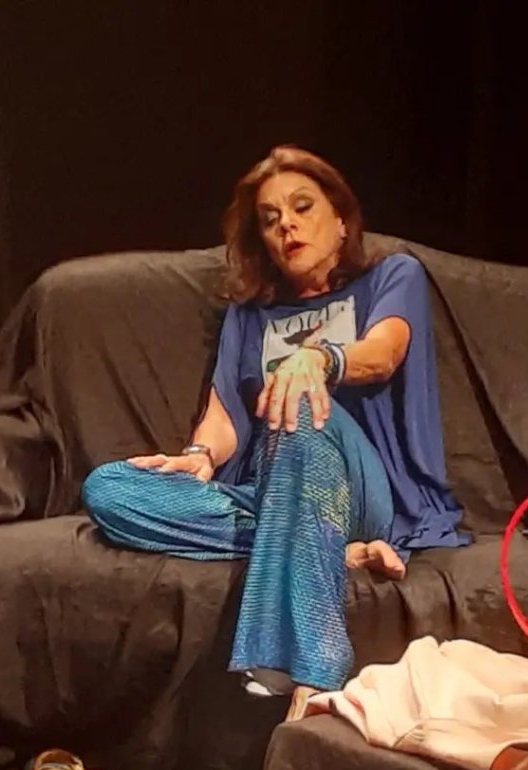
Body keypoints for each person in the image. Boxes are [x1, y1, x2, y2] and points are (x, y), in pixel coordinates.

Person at [82, 145, 468, 721]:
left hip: (368, 493)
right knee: (109, 489)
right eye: (270, 218)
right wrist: (198, 455)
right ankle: (328, 547)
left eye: (302, 207)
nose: (287, 224)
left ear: (341, 220)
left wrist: (320, 360)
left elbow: (384, 352)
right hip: (272, 491)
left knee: (301, 407)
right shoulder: (249, 315)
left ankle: (310, 668)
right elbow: (223, 416)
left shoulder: (392, 276)